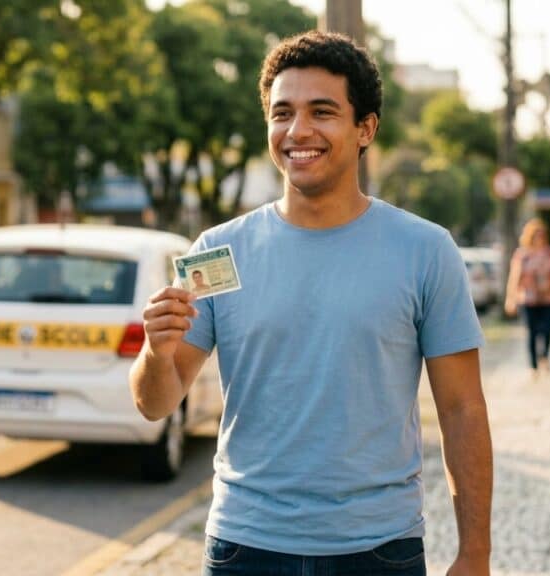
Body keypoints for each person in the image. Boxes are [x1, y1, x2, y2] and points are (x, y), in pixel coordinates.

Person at [130, 31, 491, 576]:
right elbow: (156, 403)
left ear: (365, 128)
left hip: (379, 549)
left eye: (322, 112)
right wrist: (156, 352)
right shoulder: (217, 252)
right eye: (282, 113)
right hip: (243, 548)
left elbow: (463, 409)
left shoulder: (425, 250)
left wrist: (475, 553)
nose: (298, 131)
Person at [505, 218, 550, 378]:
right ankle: (533, 365)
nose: (539, 238)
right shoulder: (522, 255)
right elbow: (514, 278)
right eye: (536, 235)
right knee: (531, 332)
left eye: (542, 235)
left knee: (547, 330)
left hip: (549, 298)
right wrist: (510, 298)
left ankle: (544, 355)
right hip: (528, 299)